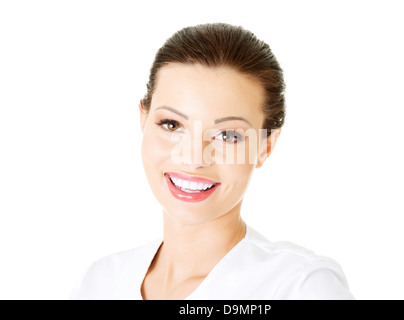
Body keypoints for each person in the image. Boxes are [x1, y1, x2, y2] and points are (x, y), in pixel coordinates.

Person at [70, 23, 354, 300]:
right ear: (143, 120)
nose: (193, 158)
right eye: (171, 124)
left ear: (266, 146)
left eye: (228, 135)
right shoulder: (100, 282)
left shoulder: (298, 287)